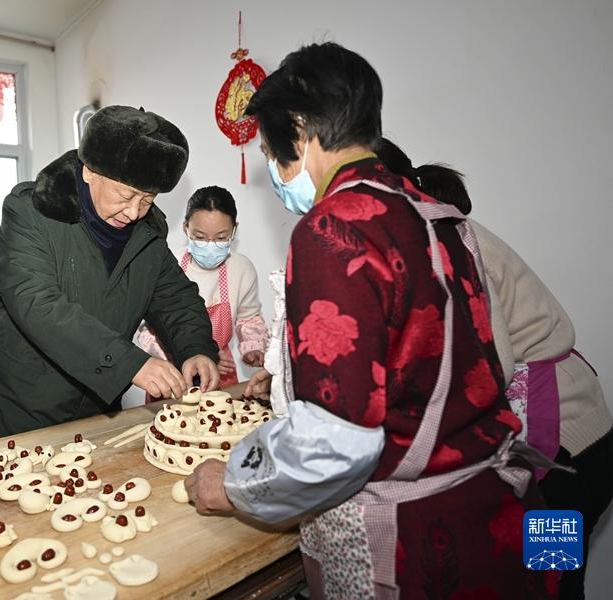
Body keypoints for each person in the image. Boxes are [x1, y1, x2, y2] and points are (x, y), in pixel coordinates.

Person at [184, 43, 554, 599]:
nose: (274, 170)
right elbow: (487, 366)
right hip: (494, 506)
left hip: (410, 539)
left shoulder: (333, 231)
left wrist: (234, 484)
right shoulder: (441, 218)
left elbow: (335, 443)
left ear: (301, 132)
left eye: (270, 152)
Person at [377, 137, 613, 600]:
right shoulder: (435, 233)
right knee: (542, 582)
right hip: (566, 439)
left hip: (564, 448)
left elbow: (483, 364)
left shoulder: (444, 242)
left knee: (548, 584)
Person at [0, 105, 219, 441]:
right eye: (125, 195)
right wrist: (129, 364)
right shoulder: (31, 212)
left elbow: (175, 299)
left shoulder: (147, 235)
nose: (133, 212)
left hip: (92, 411)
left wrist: (195, 348)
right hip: (17, 409)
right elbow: (37, 304)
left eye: (147, 200)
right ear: (89, 172)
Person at [136, 186, 267, 390]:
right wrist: (193, 356)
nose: (210, 245)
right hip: (173, 372)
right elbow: (147, 331)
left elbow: (248, 318)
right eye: (200, 237)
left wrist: (253, 348)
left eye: (221, 238)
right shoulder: (167, 265)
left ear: (234, 229)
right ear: (186, 228)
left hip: (221, 371)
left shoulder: (241, 269)